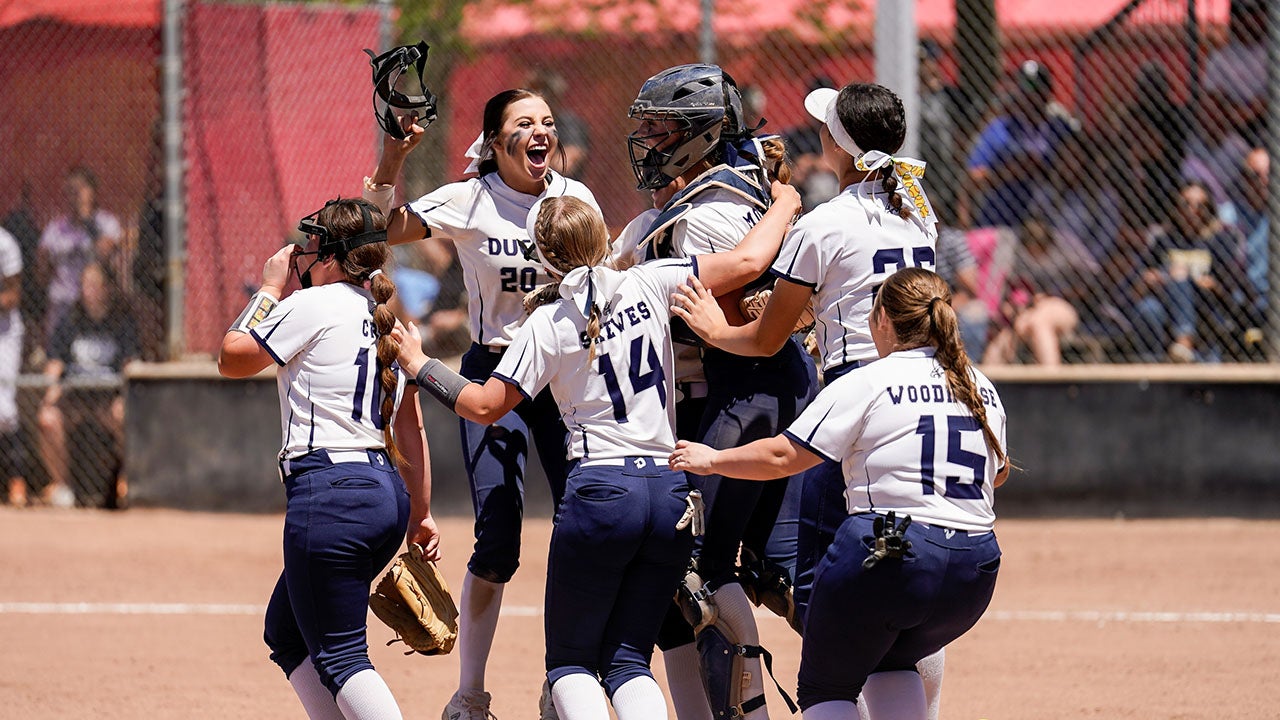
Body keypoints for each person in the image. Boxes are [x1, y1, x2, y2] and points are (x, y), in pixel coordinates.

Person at [395, 192, 798, 720]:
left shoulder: (547, 321)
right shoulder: (652, 280)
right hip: (669, 488)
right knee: (630, 661)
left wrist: (420, 363)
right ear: (605, 242)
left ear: (542, 257)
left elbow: (484, 405)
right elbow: (749, 260)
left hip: (602, 492)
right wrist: (785, 201)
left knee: (571, 664)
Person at [669, 81, 947, 719]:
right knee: (895, 574)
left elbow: (767, 338)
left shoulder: (823, 223)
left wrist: (715, 330)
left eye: (826, 128)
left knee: (829, 589)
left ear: (838, 147)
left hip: (854, 399)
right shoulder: (919, 215)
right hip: (920, 392)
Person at [670, 267, 1008, 720]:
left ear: (882, 320)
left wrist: (711, 459)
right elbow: (997, 474)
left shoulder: (869, 380)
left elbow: (781, 457)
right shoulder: (977, 384)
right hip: (975, 567)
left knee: (826, 688)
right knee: (892, 663)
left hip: (892, 552)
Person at [361, 87, 600, 720]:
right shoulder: (473, 198)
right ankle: (470, 695)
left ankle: (566, 678)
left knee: (585, 530)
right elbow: (380, 226)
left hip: (565, 382)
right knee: (498, 539)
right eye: (525, 123)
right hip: (494, 378)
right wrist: (393, 155)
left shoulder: (575, 203)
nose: (541, 131)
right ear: (495, 143)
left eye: (548, 121)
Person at [626, 63, 814, 720]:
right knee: (769, 569)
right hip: (777, 393)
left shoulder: (704, 218)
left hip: (742, 396)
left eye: (661, 128)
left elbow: (747, 299)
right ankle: (884, 675)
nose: (647, 140)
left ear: (703, 135)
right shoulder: (740, 194)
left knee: (698, 573)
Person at [217, 197, 438, 720]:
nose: (304, 255)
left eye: (314, 245)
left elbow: (231, 357)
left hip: (331, 496)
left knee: (341, 657)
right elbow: (412, 428)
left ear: (336, 256)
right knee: (287, 632)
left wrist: (270, 289)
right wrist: (420, 514)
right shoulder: (391, 321)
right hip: (383, 496)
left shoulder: (311, 304)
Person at [37, 262, 137, 508]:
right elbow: (54, 363)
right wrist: (51, 389)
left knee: (125, 416)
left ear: (107, 289)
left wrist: (126, 394)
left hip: (106, 397)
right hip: (75, 397)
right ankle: (62, 487)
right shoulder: (70, 319)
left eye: (94, 285)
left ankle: (124, 480)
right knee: (47, 418)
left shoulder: (122, 321)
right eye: (85, 285)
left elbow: (130, 364)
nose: (88, 290)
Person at [1136, 180, 1257, 362]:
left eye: (1200, 205)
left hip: (1206, 305)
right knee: (1148, 308)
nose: (1192, 211)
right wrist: (1158, 279)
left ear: (1209, 209)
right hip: (1167, 304)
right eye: (1186, 204)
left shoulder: (1219, 240)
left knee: (1181, 275)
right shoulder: (1164, 240)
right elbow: (1141, 281)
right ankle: (1151, 368)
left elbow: (1229, 286)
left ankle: (1185, 341)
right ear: (1176, 207)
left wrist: (1204, 283)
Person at [966, 60, 1077, 230]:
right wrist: (1009, 171)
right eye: (1024, 91)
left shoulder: (1060, 128)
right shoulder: (1000, 128)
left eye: (1036, 90)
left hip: (1050, 223)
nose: (1030, 97)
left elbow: (1078, 168)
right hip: (1003, 218)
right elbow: (973, 176)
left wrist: (1048, 168)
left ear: (1048, 93)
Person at [981, 214, 1098, 366]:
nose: (1036, 254)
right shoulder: (1016, 252)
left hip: (1063, 304)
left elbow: (1092, 281)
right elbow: (1008, 286)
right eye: (1032, 250)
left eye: (1041, 249)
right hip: (1028, 309)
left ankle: (1050, 381)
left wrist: (1058, 294)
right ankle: (986, 384)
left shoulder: (1067, 246)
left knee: (1039, 322)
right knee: (1012, 331)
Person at [36, 167, 123, 356]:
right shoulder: (56, 229)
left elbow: (105, 252)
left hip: (92, 308)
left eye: (80, 189)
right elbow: (42, 270)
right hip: (63, 302)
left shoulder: (106, 223)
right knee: (57, 356)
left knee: (87, 356)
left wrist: (87, 222)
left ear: (92, 192)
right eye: (70, 191)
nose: (75, 196)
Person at [0, 226, 28, 507]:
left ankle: (17, 480)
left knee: (4, 410)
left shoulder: (5, 242)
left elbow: (11, 297)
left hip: (4, 334)